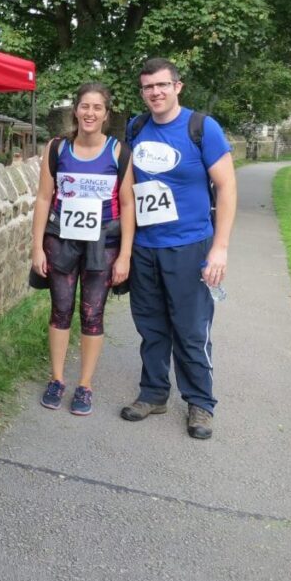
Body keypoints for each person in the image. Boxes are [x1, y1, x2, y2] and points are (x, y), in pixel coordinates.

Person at [121, 58, 236, 440]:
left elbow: (227, 187)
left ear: (177, 86)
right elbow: (128, 189)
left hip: (190, 245)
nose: (155, 92)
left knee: (190, 328)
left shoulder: (202, 128)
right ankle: (153, 394)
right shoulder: (136, 128)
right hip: (145, 247)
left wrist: (219, 248)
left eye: (162, 85)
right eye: (148, 87)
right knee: (151, 326)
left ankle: (200, 403)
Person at [31, 82, 134, 416]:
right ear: (75, 110)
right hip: (60, 239)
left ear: (106, 114)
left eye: (97, 108)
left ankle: (85, 386)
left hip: (103, 243)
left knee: (92, 314)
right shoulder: (58, 149)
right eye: (84, 106)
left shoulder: (119, 151)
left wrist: (125, 255)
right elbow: (44, 199)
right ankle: (57, 379)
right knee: (60, 310)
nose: (90, 113)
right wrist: (36, 248)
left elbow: (128, 204)